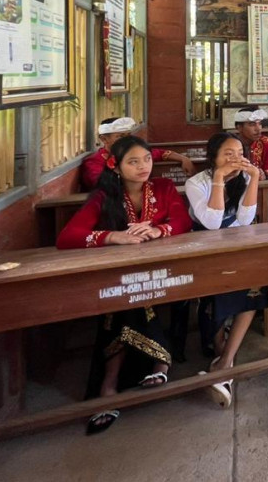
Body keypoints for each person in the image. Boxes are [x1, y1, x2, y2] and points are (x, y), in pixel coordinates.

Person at [57, 135, 193, 435]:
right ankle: (158, 363)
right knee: (127, 295)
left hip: (162, 268)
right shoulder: (103, 197)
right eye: (133, 162)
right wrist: (111, 236)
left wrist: (159, 230)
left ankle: (109, 386)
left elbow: (183, 221)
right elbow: (67, 236)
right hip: (120, 275)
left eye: (147, 159)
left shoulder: (163, 187)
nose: (143, 166)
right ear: (115, 167)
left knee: (131, 294)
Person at [185, 132, 267, 408]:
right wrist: (219, 178)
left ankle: (224, 363)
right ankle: (223, 361)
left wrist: (254, 179)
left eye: (239, 153)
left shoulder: (244, 178)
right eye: (227, 154)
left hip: (236, 244)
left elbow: (245, 219)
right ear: (213, 157)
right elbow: (211, 223)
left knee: (255, 287)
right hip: (204, 246)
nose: (235, 159)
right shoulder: (196, 183)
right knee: (216, 292)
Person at [80, 117, 196, 190]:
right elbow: (101, 185)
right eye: (120, 136)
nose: (126, 140)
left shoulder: (137, 152)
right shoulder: (94, 161)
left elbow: (161, 153)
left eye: (128, 135)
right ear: (104, 139)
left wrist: (183, 159)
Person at [232, 106, 268, 222]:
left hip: (263, 187)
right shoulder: (230, 144)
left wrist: (263, 174)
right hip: (235, 189)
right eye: (252, 124)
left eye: (259, 124)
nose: (258, 129)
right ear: (239, 127)